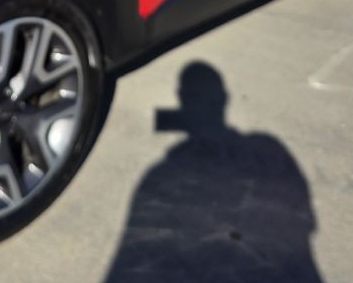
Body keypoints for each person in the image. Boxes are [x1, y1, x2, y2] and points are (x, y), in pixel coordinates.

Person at [104, 62, 323, 282]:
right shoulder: (267, 147)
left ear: (181, 98)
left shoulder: (160, 173)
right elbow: (304, 221)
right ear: (224, 99)